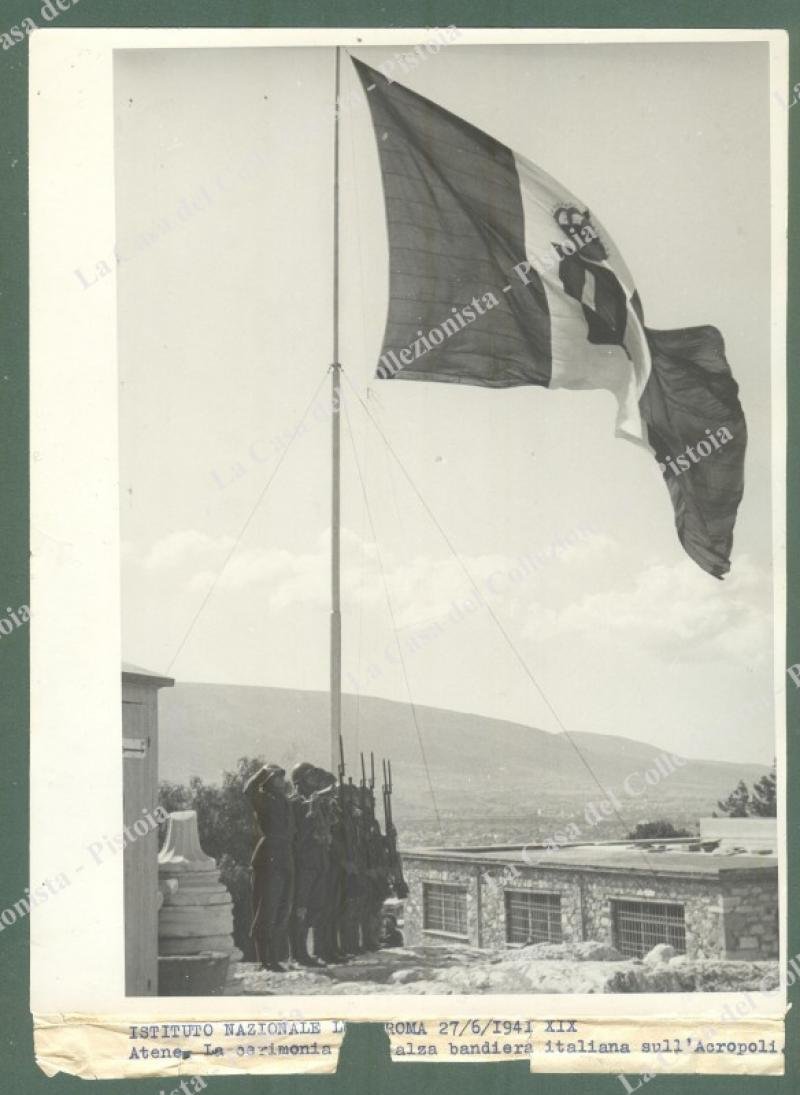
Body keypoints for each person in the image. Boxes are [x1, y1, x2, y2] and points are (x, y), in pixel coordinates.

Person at [244, 763, 294, 973]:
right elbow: (248, 791)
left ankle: (274, 956)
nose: (282, 780)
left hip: (284, 854)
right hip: (269, 854)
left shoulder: (283, 801)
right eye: (278, 777)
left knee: (282, 906)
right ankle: (265, 959)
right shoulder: (264, 799)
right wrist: (263, 772)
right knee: (267, 907)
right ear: (269, 781)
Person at [288, 762, 334, 967]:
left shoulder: (313, 802)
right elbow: (299, 834)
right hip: (304, 863)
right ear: (299, 782)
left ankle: (314, 951)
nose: (314, 782)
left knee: (315, 907)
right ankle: (298, 953)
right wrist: (311, 810)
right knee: (301, 908)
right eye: (309, 778)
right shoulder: (295, 803)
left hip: (318, 861)